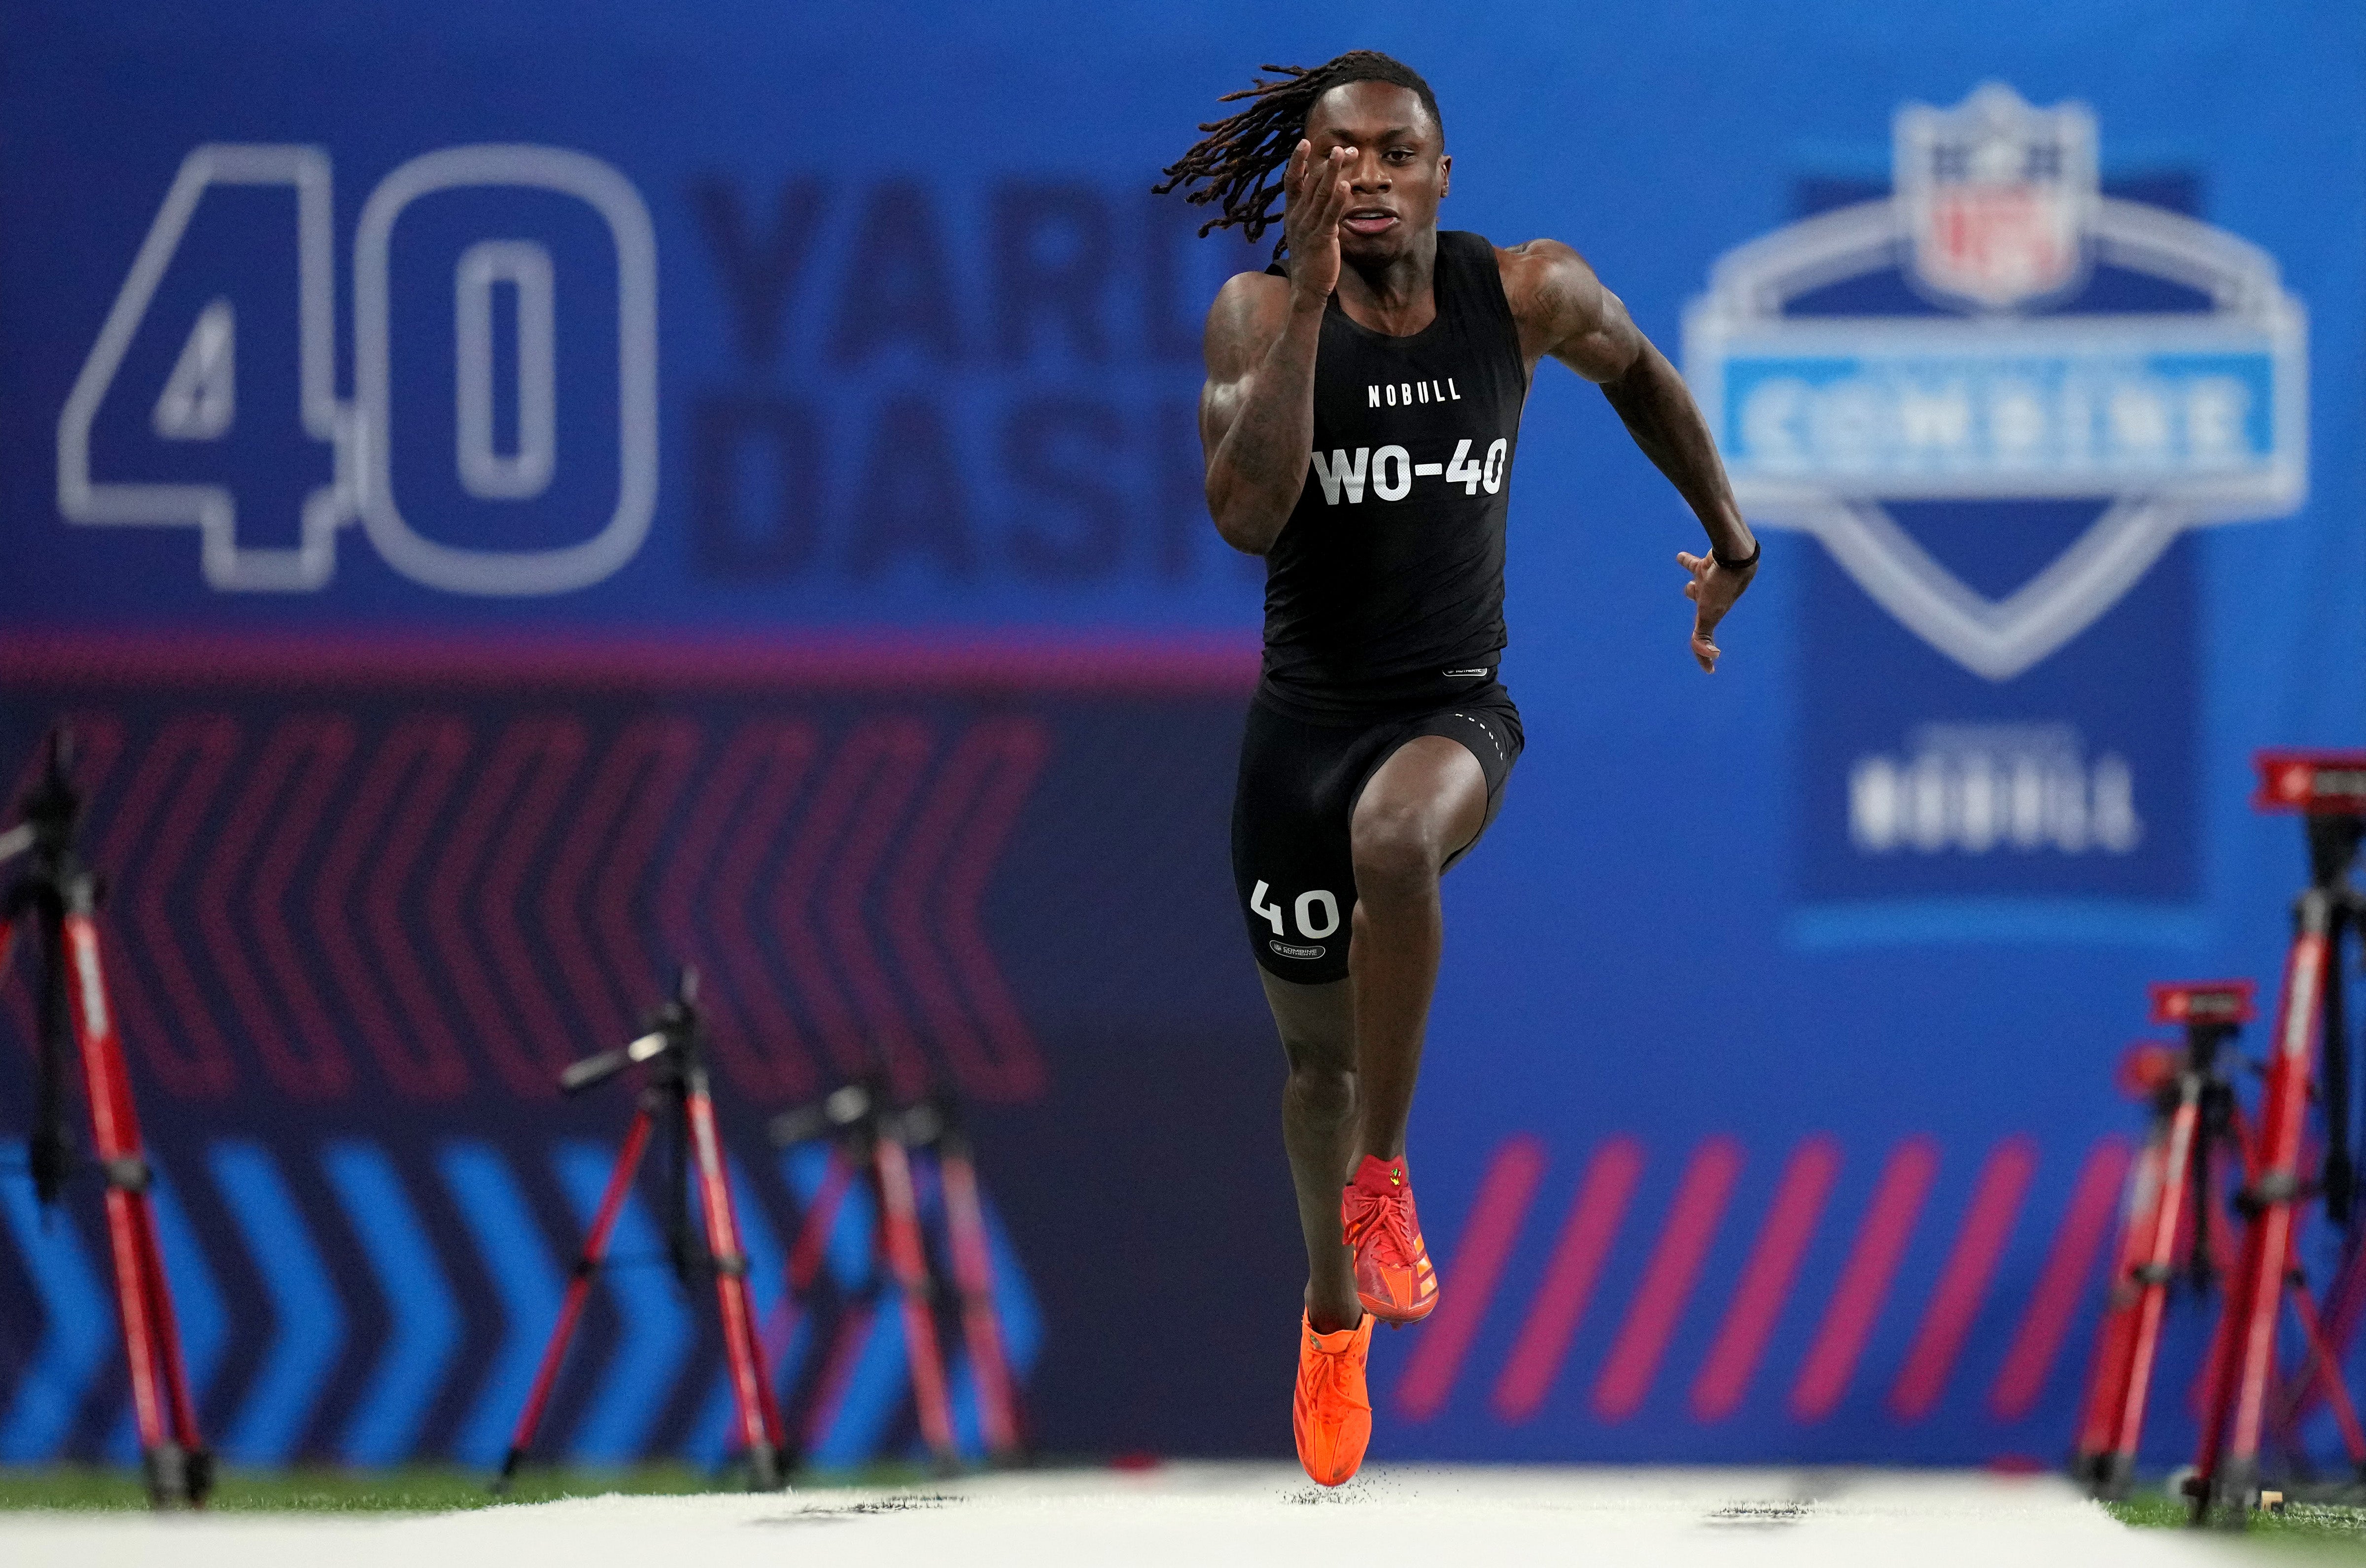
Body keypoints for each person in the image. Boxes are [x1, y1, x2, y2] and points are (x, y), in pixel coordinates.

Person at [1156, 50, 1760, 1485]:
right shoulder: (1253, 312)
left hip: (1452, 711)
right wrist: (1307, 300)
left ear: (1441, 175)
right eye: (1335, 154)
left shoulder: (1525, 292)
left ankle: (1389, 1182)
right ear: (1304, 177)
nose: (1363, 173)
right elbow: (1246, 517)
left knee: (1397, 842)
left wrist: (1732, 539)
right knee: (1314, 1072)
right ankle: (1329, 1319)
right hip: (1296, 737)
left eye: (1392, 151)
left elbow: (1646, 375)